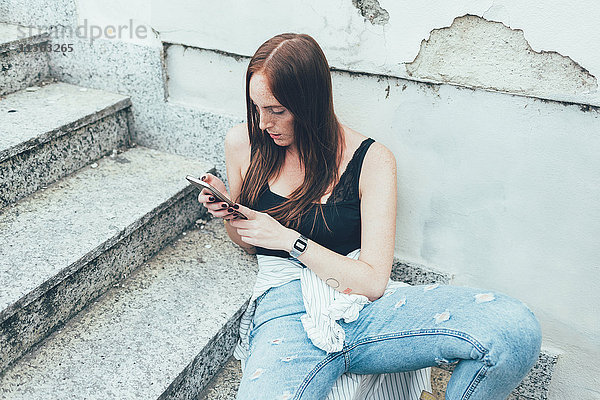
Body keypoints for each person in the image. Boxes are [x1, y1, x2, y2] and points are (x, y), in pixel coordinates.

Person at [197, 33, 542, 400]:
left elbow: (374, 283)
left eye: (277, 110)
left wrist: (288, 239)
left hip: (363, 305)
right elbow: (249, 247)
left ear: (310, 103)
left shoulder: (373, 160)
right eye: (257, 108)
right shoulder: (243, 143)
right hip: (285, 308)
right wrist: (230, 216)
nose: (264, 123)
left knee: (513, 329)